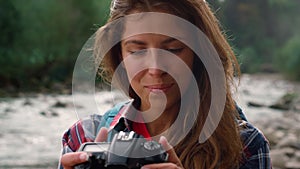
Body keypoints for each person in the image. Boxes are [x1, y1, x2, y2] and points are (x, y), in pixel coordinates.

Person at [59, 0, 272, 169]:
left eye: (173, 49)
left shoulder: (245, 147)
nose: (155, 68)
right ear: (120, 57)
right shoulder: (82, 138)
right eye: (138, 51)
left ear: (199, 56)